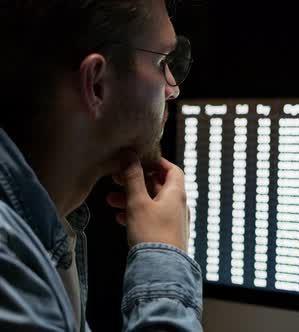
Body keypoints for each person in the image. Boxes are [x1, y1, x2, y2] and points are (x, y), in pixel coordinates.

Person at [0, 0, 203, 331]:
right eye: (163, 62)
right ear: (97, 83)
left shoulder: (54, 228)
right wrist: (163, 259)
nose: (173, 88)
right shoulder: (7, 263)